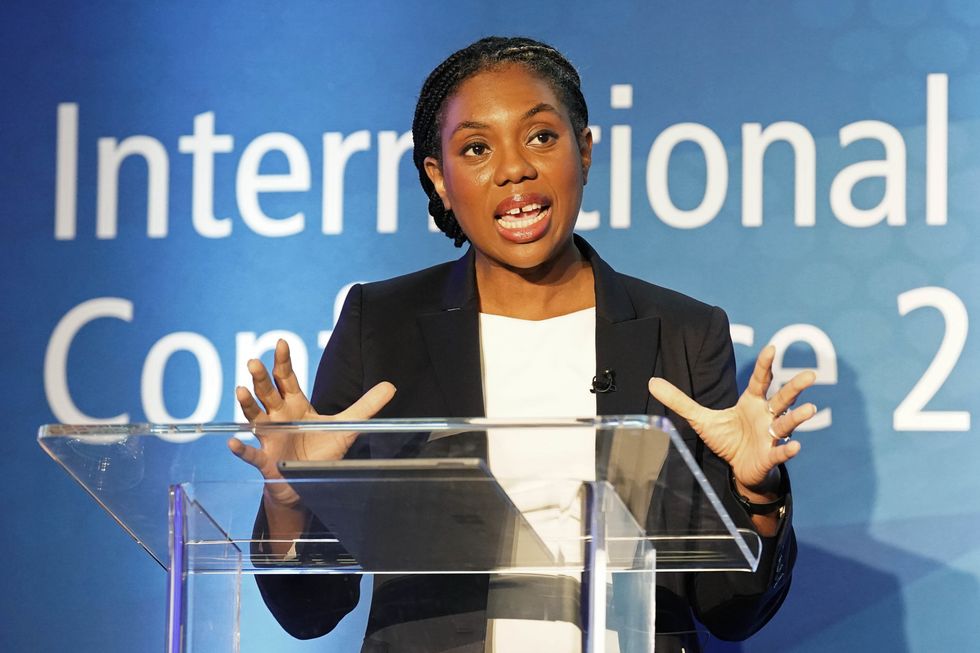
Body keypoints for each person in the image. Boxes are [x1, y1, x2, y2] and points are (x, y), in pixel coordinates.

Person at [229, 36, 815, 653]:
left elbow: (732, 612)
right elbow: (310, 613)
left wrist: (756, 495)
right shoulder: (383, 325)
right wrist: (291, 498)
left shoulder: (683, 331)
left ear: (584, 152)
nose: (514, 168)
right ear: (441, 179)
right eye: (476, 148)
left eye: (541, 137)